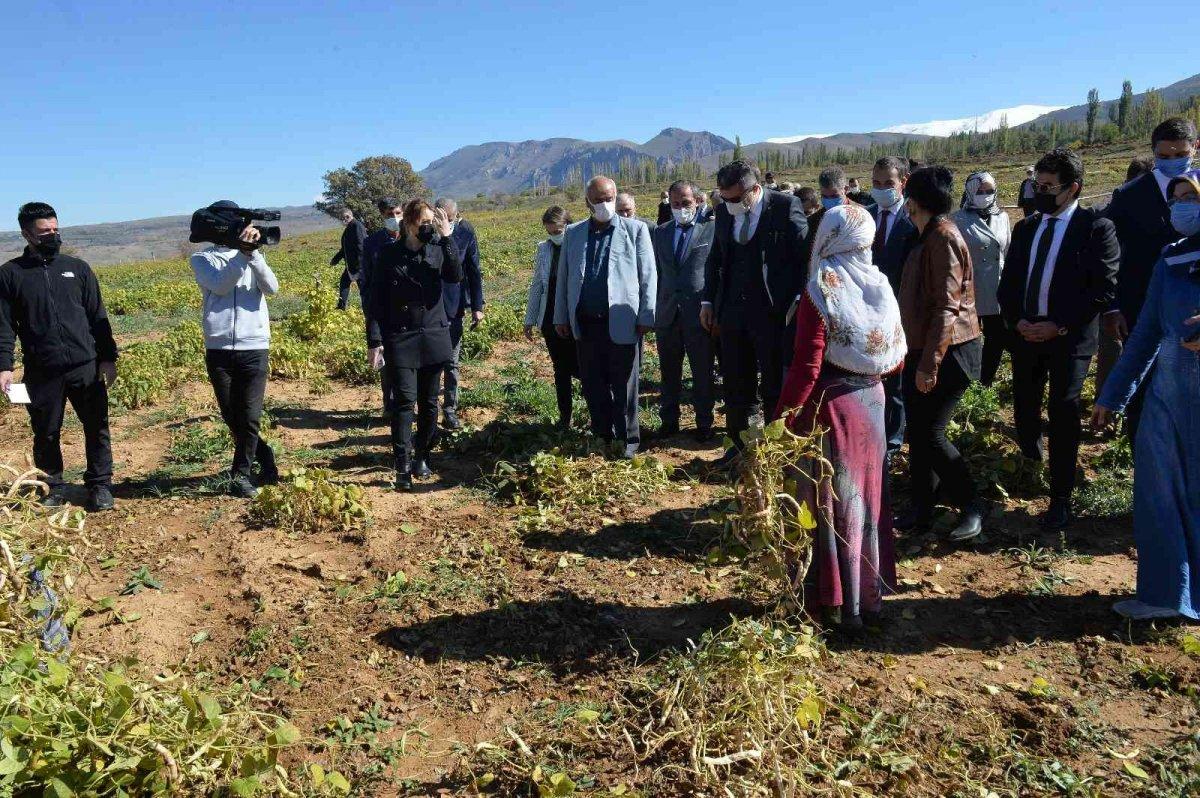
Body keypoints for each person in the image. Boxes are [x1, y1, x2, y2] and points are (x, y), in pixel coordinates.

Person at [775, 203, 905, 628]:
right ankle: (867, 596)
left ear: (828, 238)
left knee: (831, 501)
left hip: (831, 409)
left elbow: (808, 364)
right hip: (873, 403)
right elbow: (894, 358)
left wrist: (783, 421)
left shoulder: (822, 288)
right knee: (866, 498)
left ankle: (833, 603)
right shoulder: (880, 284)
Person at [1092, 174, 1200, 620]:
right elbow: (1147, 335)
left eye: (1190, 198)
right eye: (1175, 199)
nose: (1181, 207)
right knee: (1158, 496)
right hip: (1167, 402)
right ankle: (1164, 595)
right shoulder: (1171, 259)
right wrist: (1113, 393)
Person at [997, 148, 1119, 530]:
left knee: (1063, 411)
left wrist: (1059, 325)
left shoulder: (1096, 228)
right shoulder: (1026, 227)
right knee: (1024, 409)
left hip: (1069, 339)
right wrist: (1017, 321)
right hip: (1026, 335)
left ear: (1073, 188)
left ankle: (1061, 496)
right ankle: (1031, 465)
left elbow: (1103, 288)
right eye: (1038, 185)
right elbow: (1010, 283)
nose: (1040, 192)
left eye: (1049, 186)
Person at [0, 202, 117, 511]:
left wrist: (108, 358)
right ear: (26, 234)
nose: (52, 235)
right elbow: (4, 324)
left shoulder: (77, 268)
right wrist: (4, 366)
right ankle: (54, 486)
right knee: (46, 432)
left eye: (55, 229)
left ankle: (100, 485)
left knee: (97, 426)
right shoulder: (10, 274)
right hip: (42, 371)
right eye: (44, 232)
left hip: (85, 365)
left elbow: (97, 316)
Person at [896, 167, 986, 541]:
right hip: (925, 348)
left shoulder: (943, 237)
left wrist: (929, 364)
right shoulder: (928, 234)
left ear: (913, 201)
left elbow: (946, 308)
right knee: (918, 431)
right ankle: (922, 508)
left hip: (950, 352)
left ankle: (972, 506)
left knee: (930, 432)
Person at [700, 160, 809, 461]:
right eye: (724, 198)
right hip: (732, 313)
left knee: (774, 384)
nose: (729, 204)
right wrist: (708, 301)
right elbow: (716, 259)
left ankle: (775, 453)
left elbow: (804, 260)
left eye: (735, 198)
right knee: (736, 384)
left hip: (773, 314)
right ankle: (739, 448)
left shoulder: (786, 207)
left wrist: (798, 302)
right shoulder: (723, 212)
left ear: (755, 190)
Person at [1104, 117, 1197, 445]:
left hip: (1194, 312)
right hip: (1143, 310)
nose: (1173, 162)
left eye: (1180, 154)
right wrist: (1113, 306)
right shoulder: (1129, 196)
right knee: (1142, 391)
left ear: (1194, 148)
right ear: (1153, 153)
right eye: (1164, 156)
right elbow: (1111, 256)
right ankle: (1141, 461)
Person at [554, 176, 656, 458]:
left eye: (609, 198)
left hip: (623, 321)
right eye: (598, 200)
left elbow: (648, 275)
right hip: (586, 323)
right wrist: (561, 316)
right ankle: (602, 435)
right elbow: (564, 279)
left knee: (625, 385)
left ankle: (628, 441)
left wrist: (647, 314)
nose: (605, 204)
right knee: (593, 384)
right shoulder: (574, 233)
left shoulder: (634, 230)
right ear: (587, 202)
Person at [365, 199, 461, 490]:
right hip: (401, 337)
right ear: (408, 224)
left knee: (429, 402)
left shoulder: (438, 250)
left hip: (433, 334)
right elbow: (376, 301)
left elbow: (455, 275)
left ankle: (422, 455)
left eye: (432, 222)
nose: (428, 227)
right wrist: (375, 340)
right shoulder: (388, 255)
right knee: (404, 402)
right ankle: (402, 464)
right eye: (424, 223)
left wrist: (446, 239)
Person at [189, 200, 281, 498]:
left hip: (254, 345)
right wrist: (243, 255)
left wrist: (253, 256)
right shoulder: (202, 259)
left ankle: (240, 476)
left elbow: (272, 287)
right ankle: (264, 456)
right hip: (219, 347)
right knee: (233, 416)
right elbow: (220, 285)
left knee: (250, 415)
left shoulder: (254, 256)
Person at [652, 180, 716, 441]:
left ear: (698, 202)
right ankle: (669, 421)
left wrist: (710, 304)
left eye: (686, 203)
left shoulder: (710, 230)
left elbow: (715, 271)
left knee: (702, 372)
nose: (680, 208)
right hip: (667, 314)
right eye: (675, 204)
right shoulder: (661, 232)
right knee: (669, 373)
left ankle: (704, 423)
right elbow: (656, 272)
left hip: (699, 313)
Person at [869, 156, 919, 459]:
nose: (882, 189)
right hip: (869, 312)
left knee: (898, 382)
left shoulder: (914, 219)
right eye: (876, 183)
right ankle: (875, 435)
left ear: (904, 181)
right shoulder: (865, 215)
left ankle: (893, 443)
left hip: (902, 312)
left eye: (888, 183)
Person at [952, 171, 1012, 386]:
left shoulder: (1002, 217)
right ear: (969, 191)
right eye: (980, 191)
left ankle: (985, 380)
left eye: (989, 191)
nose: (985, 195)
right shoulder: (958, 219)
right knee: (969, 339)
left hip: (997, 288)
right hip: (971, 289)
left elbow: (1006, 250)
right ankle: (967, 379)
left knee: (997, 338)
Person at [523, 206, 578, 429]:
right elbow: (537, 285)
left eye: (558, 230)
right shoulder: (543, 249)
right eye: (550, 232)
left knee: (583, 365)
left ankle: (598, 412)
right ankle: (565, 416)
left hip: (574, 315)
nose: (555, 236)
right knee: (560, 368)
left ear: (568, 226)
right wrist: (530, 318)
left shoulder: (578, 245)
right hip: (549, 316)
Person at [433, 198, 484, 431]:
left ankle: (450, 409)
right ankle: (429, 410)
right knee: (430, 364)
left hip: (454, 308)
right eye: (441, 218)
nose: (445, 223)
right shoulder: (427, 232)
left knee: (451, 363)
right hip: (429, 309)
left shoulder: (465, 231)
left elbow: (474, 270)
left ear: (456, 216)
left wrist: (477, 306)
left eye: (450, 219)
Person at [361, 198, 404, 415]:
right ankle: (389, 404)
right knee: (385, 362)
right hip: (383, 311)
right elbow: (366, 283)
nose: (394, 218)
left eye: (397, 213)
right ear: (382, 216)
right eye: (389, 214)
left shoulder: (411, 238)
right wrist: (370, 316)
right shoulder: (371, 243)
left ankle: (405, 404)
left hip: (408, 311)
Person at [331, 208, 367, 310]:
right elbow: (344, 249)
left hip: (359, 265)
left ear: (347, 216)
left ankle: (368, 308)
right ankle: (341, 306)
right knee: (344, 282)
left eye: (343, 218)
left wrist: (361, 264)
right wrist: (335, 259)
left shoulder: (357, 226)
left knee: (363, 288)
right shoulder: (349, 228)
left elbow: (362, 245)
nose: (342, 220)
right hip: (351, 265)